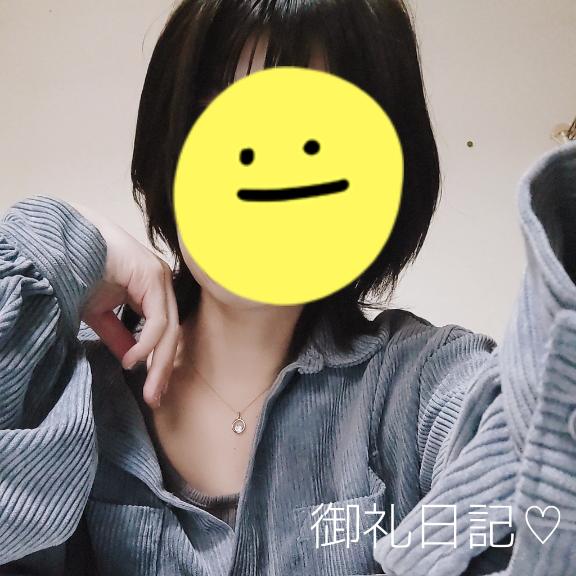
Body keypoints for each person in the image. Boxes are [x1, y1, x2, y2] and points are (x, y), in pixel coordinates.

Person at [1, 0, 575, 575]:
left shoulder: (419, 382)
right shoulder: (67, 380)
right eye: (219, 120)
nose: (264, 172)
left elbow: (531, 473)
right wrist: (61, 242)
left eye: (311, 137)